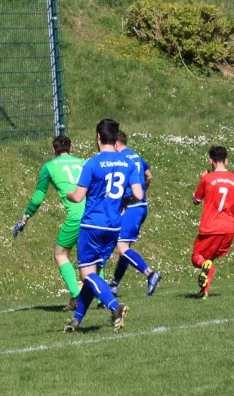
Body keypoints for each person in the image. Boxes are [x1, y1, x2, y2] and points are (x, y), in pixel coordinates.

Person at [64, 119, 143, 333]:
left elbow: (78, 196)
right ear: (116, 138)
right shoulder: (127, 163)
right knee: (93, 276)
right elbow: (138, 194)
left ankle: (116, 307)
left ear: (98, 137)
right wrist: (124, 202)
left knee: (86, 275)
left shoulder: (92, 163)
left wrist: (68, 194)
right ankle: (76, 319)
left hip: (92, 225)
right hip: (114, 227)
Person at [13, 135, 85, 311]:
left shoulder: (49, 167)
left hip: (76, 216)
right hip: (94, 215)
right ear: (71, 148)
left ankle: (77, 296)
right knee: (90, 255)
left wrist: (24, 218)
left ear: (54, 151)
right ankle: (100, 300)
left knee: (60, 254)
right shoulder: (83, 162)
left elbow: (38, 197)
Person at [191, 146, 234, 299]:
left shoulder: (207, 178)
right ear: (226, 160)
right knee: (209, 259)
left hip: (211, 227)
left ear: (211, 160)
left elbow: (196, 200)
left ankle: (204, 269)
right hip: (229, 228)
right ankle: (204, 292)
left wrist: (201, 180)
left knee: (197, 257)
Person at [108, 131, 161, 297]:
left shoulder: (121, 159)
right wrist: (143, 190)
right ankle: (115, 284)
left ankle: (150, 274)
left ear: (116, 144)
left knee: (121, 247)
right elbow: (149, 175)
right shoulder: (136, 156)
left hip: (131, 206)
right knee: (125, 248)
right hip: (141, 205)